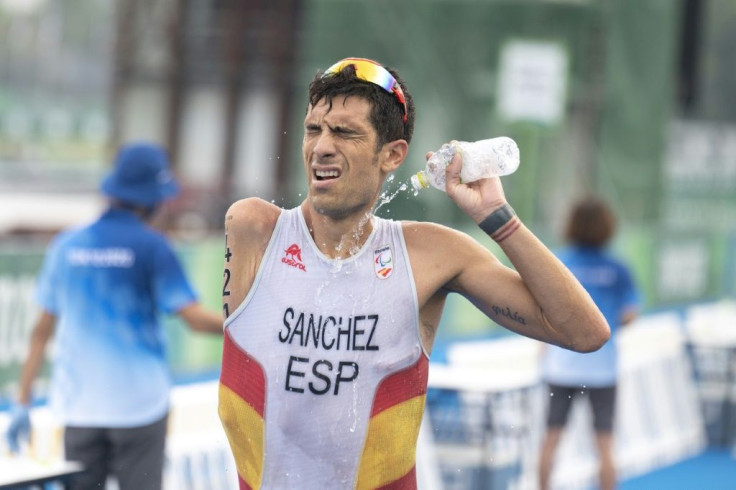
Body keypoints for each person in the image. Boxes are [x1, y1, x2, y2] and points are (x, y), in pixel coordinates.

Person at [218, 57, 609, 489]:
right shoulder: (254, 229)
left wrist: (499, 218)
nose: (322, 147)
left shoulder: (431, 254)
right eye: (314, 129)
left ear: (392, 154)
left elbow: (584, 334)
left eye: (345, 132)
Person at [4, 143, 223, 490]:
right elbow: (193, 319)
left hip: (80, 409)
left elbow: (41, 331)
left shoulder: (68, 246)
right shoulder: (153, 247)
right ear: (149, 200)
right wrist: (248, 325)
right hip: (140, 408)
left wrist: (22, 401)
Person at [538, 196, 640, 490]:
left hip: (562, 368)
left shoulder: (558, 263)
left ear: (570, 225)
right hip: (602, 370)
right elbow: (630, 315)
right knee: (605, 444)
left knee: (550, 439)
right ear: (607, 227)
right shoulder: (618, 268)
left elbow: (542, 312)